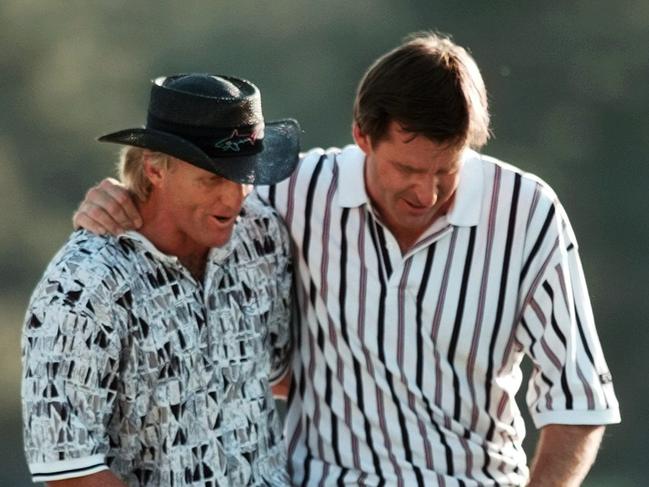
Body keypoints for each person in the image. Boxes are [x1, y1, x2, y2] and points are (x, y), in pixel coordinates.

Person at [73, 33, 621, 486]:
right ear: (361, 135)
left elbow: (578, 402)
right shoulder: (297, 192)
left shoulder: (528, 214)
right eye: (406, 169)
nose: (426, 193)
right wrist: (120, 196)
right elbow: (194, 199)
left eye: (446, 169)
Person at [21, 73, 300, 486]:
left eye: (244, 175)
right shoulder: (83, 284)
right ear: (155, 170)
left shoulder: (262, 236)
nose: (234, 198)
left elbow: (283, 379)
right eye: (213, 179)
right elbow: (68, 469)